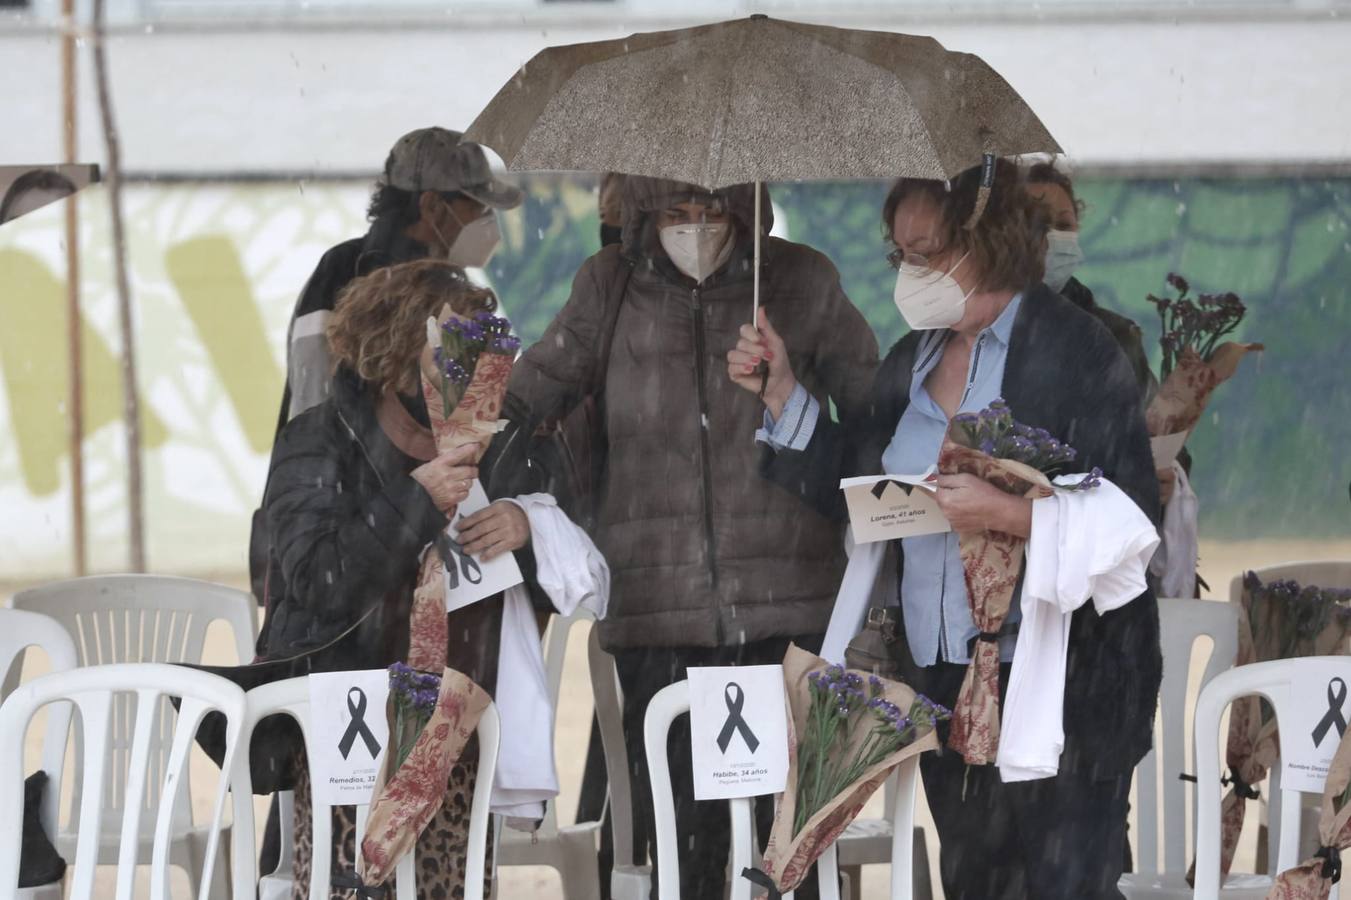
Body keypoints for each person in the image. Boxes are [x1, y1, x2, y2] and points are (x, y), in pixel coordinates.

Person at [734, 158, 1162, 900]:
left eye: (926, 252)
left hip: (1062, 689)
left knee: (1068, 883)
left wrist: (1007, 514)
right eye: (900, 254)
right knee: (972, 883)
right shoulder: (911, 361)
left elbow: (1130, 527)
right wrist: (781, 395)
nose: (910, 270)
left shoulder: (1075, 351)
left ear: (985, 241)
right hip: (942, 681)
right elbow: (860, 489)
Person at [498, 174, 879, 898]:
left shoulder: (801, 280)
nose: (696, 227)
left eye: (713, 211)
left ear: (748, 209)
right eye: (677, 211)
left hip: (790, 613)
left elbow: (873, 422)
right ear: (645, 214)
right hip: (655, 613)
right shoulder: (608, 284)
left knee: (787, 842)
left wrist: (789, 394)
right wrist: (462, 447)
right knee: (685, 841)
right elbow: (533, 392)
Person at [252, 259, 534, 898]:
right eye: (455, 348)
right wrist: (416, 500)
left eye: (483, 344)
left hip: (457, 732)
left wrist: (525, 519)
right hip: (345, 724)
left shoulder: (498, 443)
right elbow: (320, 580)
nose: (474, 365)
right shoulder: (318, 442)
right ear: (403, 349)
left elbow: (566, 563)